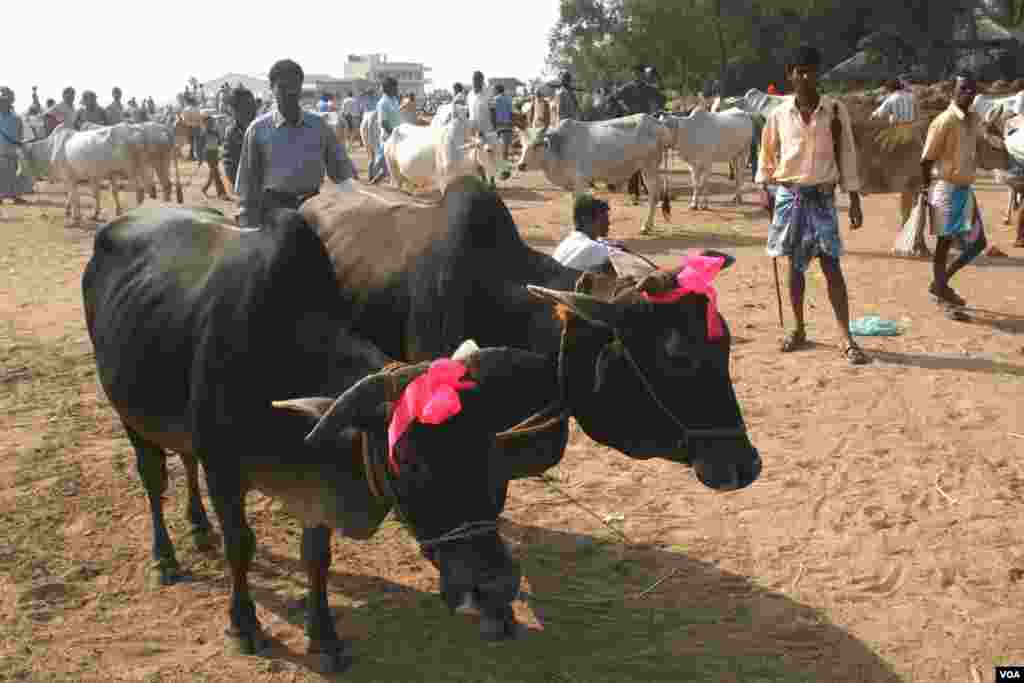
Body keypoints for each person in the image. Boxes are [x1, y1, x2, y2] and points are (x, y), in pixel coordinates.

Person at [756, 44, 869, 365]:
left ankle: (846, 337)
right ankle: (799, 329)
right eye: (800, 72)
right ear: (790, 76)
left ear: (819, 74)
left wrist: (854, 198)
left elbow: (847, 153)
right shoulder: (778, 114)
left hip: (822, 198)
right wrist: (764, 188)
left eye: (811, 71)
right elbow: (766, 153)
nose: (806, 77)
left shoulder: (834, 111)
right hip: (789, 197)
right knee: (795, 266)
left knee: (832, 266)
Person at [235, 59, 356, 227]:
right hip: (274, 216)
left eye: (295, 86)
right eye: (283, 87)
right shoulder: (258, 130)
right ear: (272, 88)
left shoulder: (319, 126)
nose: (290, 92)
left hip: (313, 212)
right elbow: (248, 185)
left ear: (300, 88)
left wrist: (356, 202)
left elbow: (342, 173)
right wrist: (247, 223)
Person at [920, 73, 991, 313]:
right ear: (953, 91)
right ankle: (942, 292)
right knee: (944, 244)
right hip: (945, 188)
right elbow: (926, 159)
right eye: (963, 89)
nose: (968, 94)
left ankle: (939, 284)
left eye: (972, 90)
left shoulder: (972, 120)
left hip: (964, 188)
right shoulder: (944, 121)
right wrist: (925, 190)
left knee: (978, 243)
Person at [551, 195, 626, 273]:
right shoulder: (591, 247)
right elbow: (627, 260)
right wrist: (620, 248)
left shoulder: (567, 243)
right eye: (603, 218)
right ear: (586, 220)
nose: (608, 223)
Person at [0, 87, 32, 204]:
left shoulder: (16, 118)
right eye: (2, 102)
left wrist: (20, 145)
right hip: (2, 150)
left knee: (13, 173)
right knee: (2, 174)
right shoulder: (15, 117)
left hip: (12, 150)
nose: (4, 104)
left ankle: (15, 196)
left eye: (6, 102)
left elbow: (20, 133)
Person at [222, 85, 257, 190]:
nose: (251, 110)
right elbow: (229, 165)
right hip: (246, 189)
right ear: (234, 110)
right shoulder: (231, 133)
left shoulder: (264, 127)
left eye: (252, 105)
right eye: (245, 106)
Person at [370, 77, 401, 183]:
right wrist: (394, 134)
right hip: (389, 137)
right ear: (388, 88)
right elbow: (383, 122)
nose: (397, 89)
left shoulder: (395, 100)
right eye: (395, 87)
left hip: (398, 135)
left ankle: (375, 182)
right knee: (382, 163)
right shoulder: (382, 103)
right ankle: (373, 179)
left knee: (390, 166)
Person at [200, 116, 227, 199]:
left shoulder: (215, 132)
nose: (211, 124)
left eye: (211, 122)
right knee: (216, 173)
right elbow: (200, 146)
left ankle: (204, 189)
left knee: (213, 174)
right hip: (208, 154)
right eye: (208, 122)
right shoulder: (203, 133)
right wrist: (201, 157)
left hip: (215, 153)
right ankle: (221, 193)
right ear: (204, 124)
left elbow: (219, 143)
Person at [467, 71, 493, 137]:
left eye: (476, 79)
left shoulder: (489, 92)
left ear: (482, 80)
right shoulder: (470, 95)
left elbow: (494, 111)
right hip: (473, 131)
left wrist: (493, 131)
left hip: (487, 130)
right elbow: (469, 113)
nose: (474, 82)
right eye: (473, 79)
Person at [493, 84, 514, 160]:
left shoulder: (495, 99)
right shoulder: (509, 99)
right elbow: (511, 112)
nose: (494, 91)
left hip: (498, 125)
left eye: (494, 90)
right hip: (508, 125)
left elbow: (493, 113)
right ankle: (505, 163)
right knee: (505, 147)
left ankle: (500, 163)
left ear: (497, 90)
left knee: (499, 147)